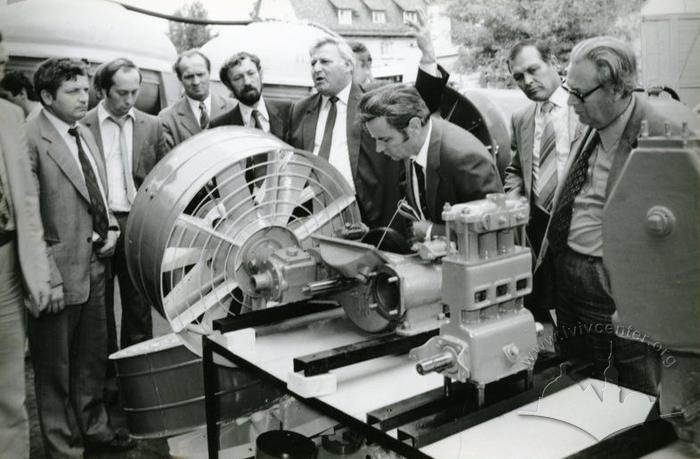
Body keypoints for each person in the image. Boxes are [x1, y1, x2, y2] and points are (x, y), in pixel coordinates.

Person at [538, 36, 683, 394]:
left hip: (615, 285)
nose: (571, 103)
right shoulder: (595, 120)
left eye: (580, 94)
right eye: (570, 90)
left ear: (619, 88)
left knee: (630, 389)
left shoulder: (665, 134)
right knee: (577, 381)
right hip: (570, 276)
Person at [26, 57, 133, 457]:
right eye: (72, 91)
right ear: (47, 96)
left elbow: (99, 192)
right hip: (55, 272)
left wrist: (113, 229)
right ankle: (62, 446)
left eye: (85, 88)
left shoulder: (82, 131)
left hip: (95, 263)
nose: (82, 96)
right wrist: (47, 276)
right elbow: (28, 218)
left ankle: (94, 429)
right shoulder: (29, 140)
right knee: (55, 369)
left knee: (90, 359)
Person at [287, 17, 448, 231]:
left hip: (370, 216)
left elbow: (422, 105)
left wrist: (428, 56)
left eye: (324, 62)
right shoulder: (299, 110)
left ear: (347, 65)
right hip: (315, 216)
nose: (316, 68)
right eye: (313, 63)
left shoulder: (375, 99)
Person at [83, 58, 161, 352]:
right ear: (103, 90)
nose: (129, 100)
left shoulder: (151, 125)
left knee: (139, 308)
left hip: (136, 224)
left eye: (134, 92)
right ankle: (107, 387)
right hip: (99, 224)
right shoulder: (83, 125)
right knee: (99, 313)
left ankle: (138, 376)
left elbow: (162, 175)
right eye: (121, 93)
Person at [359, 84, 502, 240]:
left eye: (385, 139)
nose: (379, 149)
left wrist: (431, 231)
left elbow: (493, 229)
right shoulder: (412, 143)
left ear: (414, 126)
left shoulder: (466, 159)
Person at [0, 31, 52, 459]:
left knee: (9, 394)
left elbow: (26, 202)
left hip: (4, 270)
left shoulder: (8, 116)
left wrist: (36, 273)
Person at [504, 40, 582, 323]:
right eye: (518, 77)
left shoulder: (583, 107)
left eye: (533, 70)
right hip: (539, 229)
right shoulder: (521, 118)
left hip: (580, 227)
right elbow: (514, 168)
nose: (527, 81)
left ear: (554, 64)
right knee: (548, 309)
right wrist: (514, 197)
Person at [159, 49, 235, 152]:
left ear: (209, 73)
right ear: (180, 79)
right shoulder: (167, 118)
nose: (196, 82)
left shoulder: (234, 107)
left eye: (200, 74)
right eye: (189, 77)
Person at [210, 51, 290, 137]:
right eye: (238, 78)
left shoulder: (289, 112)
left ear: (260, 74)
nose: (247, 82)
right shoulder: (220, 127)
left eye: (251, 73)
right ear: (229, 86)